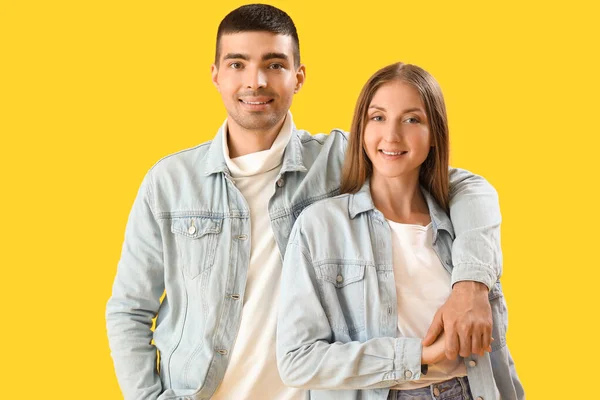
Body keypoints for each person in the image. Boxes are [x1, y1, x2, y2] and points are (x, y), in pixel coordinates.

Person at [106, 4, 506, 400]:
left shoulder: (339, 158)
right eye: (237, 64)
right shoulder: (171, 181)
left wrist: (469, 285)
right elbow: (129, 310)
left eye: (274, 64)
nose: (256, 81)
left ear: (299, 77)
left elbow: (466, 187)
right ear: (215, 75)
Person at [276, 62, 524, 400]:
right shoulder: (320, 226)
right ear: (361, 128)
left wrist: (472, 287)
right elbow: (297, 361)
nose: (392, 135)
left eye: (412, 119)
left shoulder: (463, 218)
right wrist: (416, 357)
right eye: (377, 117)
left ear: (435, 133)